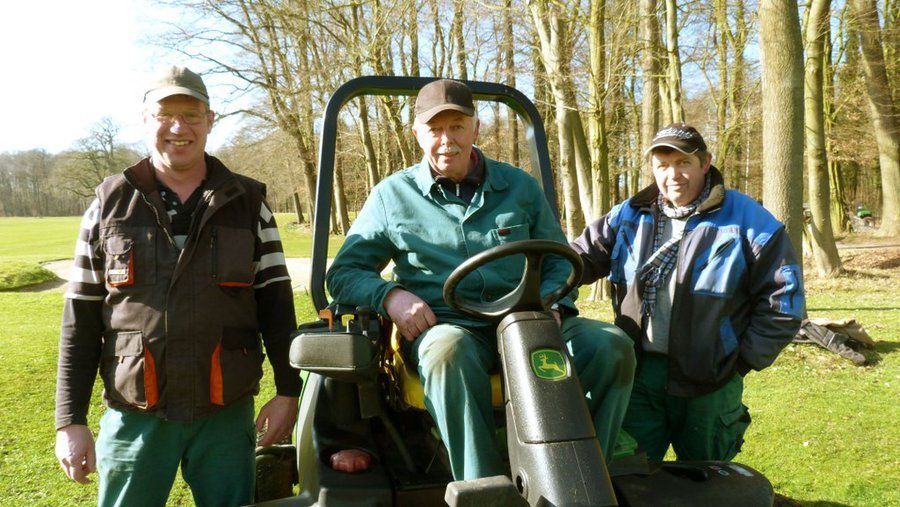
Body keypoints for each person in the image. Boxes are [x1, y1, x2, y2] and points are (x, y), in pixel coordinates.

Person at [325, 79, 635, 480]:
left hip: (527, 318)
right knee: (448, 352)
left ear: (475, 127)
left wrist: (554, 303)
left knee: (611, 346)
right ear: (417, 134)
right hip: (448, 324)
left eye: (457, 126)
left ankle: (582, 476)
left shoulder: (519, 187)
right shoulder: (393, 196)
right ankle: (483, 486)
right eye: (435, 129)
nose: (446, 140)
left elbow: (559, 261)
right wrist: (391, 296)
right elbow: (344, 274)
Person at [54, 66, 301, 506]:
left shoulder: (249, 204)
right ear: (145, 121)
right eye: (165, 115)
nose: (178, 127)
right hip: (135, 415)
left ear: (210, 120)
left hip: (226, 417)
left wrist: (287, 392)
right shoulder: (107, 205)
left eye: (191, 115)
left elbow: (277, 308)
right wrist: (69, 420)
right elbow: (80, 320)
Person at [571, 123, 805, 462]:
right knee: (629, 476)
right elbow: (577, 258)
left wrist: (740, 362)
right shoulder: (629, 214)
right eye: (663, 165)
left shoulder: (749, 221)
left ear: (705, 163)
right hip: (638, 377)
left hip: (709, 382)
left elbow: (784, 303)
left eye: (684, 163)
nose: (673, 175)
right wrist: (544, 287)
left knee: (706, 479)